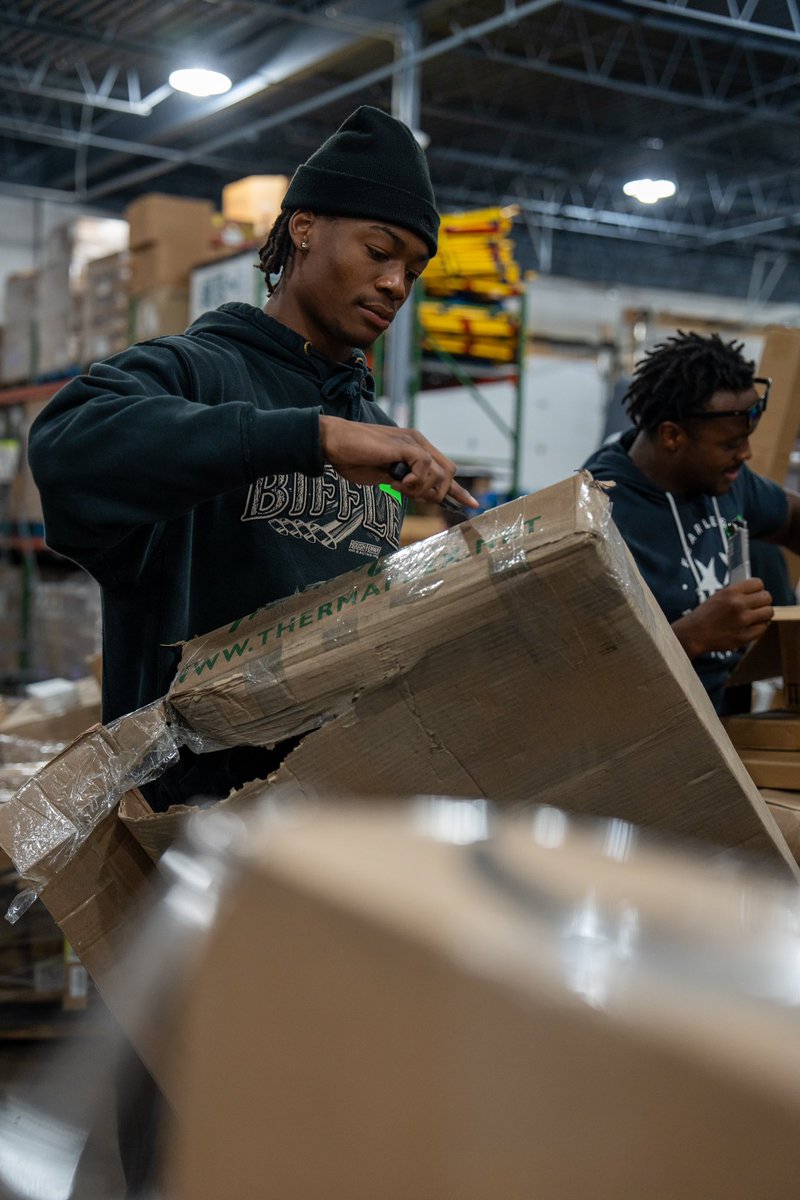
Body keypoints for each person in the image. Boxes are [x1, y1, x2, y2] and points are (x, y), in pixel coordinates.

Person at [27, 104, 476, 1196]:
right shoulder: (199, 373)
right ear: (305, 229)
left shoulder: (368, 422)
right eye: (379, 251)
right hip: (189, 868)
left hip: (331, 861)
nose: (394, 285)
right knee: (190, 1155)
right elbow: (70, 445)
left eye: (412, 268)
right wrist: (309, 435)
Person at [583, 330, 800, 715]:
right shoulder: (596, 518)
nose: (745, 455)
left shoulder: (724, 479)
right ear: (672, 436)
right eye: (730, 445)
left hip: (726, 722)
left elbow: (793, 519)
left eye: (746, 439)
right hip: (653, 737)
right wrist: (695, 634)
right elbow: (585, 672)